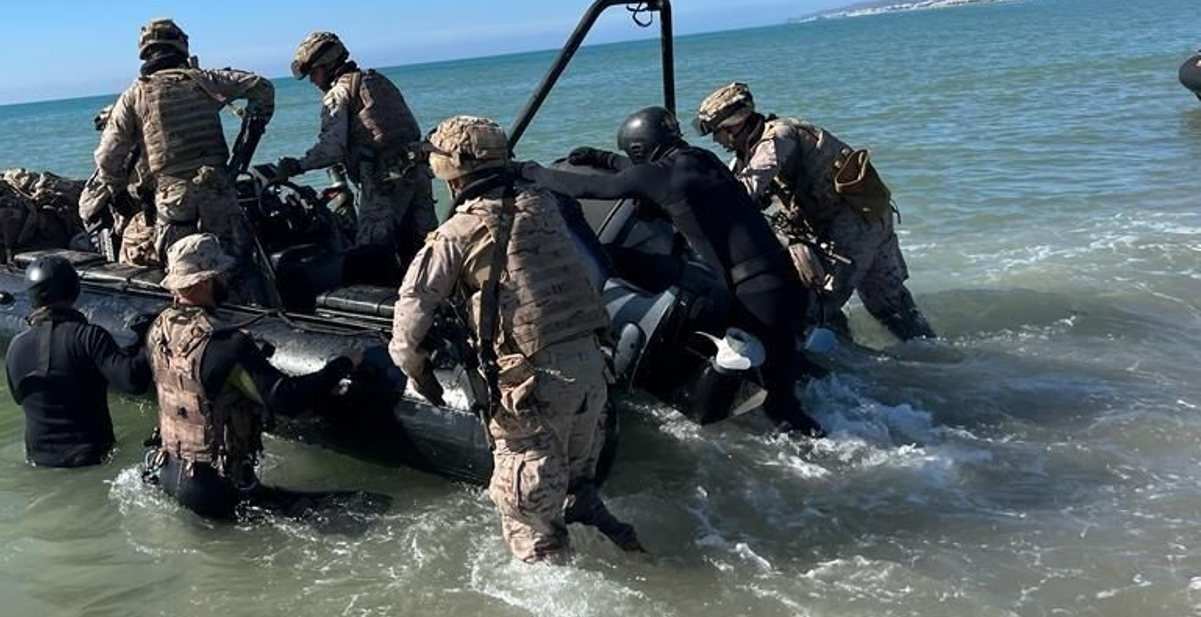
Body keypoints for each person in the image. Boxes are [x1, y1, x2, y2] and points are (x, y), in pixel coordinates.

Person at [388, 116, 641, 562]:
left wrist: (422, 377)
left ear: (453, 169)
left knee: (529, 522)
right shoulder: (544, 205)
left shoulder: (457, 233)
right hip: (591, 371)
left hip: (534, 388)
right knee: (576, 487)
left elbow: (409, 325)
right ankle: (635, 554)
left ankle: (555, 611)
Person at [522, 107, 825, 436]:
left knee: (780, 409)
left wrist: (527, 170)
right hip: (787, 280)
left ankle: (827, 454)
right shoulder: (701, 159)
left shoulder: (657, 175)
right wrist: (604, 158)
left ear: (640, 149)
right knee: (788, 368)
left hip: (757, 293)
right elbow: (641, 174)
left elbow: (591, 189)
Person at [144, 234, 387, 526]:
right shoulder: (226, 343)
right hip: (214, 491)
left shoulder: (159, 329)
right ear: (206, 281)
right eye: (221, 273)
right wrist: (343, 363)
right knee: (371, 505)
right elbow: (287, 399)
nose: (226, 278)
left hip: (169, 473)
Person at [695, 82, 936, 342]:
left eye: (716, 132)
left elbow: (745, 192)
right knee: (891, 306)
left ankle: (844, 366)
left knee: (819, 305)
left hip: (852, 225)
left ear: (734, 125)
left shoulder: (776, 138)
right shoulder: (756, 145)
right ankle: (934, 354)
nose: (715, 140)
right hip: (870, 216)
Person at [78, 17, 275, 302]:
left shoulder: (134, 94)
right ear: (181, 47)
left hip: (174, 197)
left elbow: (108, 156)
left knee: (183, 273)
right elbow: (263, 87)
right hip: (218, 188)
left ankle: (190, 329)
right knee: (237, 265)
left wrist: (117, 190)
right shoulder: (206, 80)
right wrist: (246, 146)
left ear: (145, 52)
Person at [274, 31, 437, 274]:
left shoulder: (339, 93)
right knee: (426, 249)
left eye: (314, 73)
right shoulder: (376, 80)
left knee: (371, 257)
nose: (313, 81)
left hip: (385, 182)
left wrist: (298, 165)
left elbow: (331, 149)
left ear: (328, 65)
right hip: (418, 172)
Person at [4, 255, 153, 467]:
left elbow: (21, 396)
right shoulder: (89, 337)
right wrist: (148, 339)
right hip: (91, 459)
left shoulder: (15, 346)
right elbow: (132, 381)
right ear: (73, 289)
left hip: (38, 462)